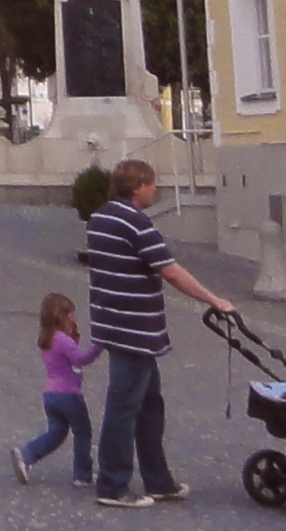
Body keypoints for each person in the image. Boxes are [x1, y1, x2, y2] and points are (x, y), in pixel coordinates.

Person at [87, 158, 234, 507]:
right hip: (133, 327)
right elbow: (170, 271)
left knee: (149, 404)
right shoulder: (136, 223)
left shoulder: (100, 217)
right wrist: (214, 300)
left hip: (112, 322)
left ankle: (158, 480)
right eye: (152, 183)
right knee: (124, 405)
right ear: (137, 187)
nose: (156, 189)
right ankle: (112, 485)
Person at [14, 291, 105, 487]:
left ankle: (27, 455)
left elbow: (63, 359)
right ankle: (82, 475)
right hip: (69, 395)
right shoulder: (62, 339)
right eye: (70, 314)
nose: (73, 318)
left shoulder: (46, 339)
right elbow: (79, 359)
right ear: (61, 316)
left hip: (50, 394)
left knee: (57, 432)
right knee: (83, 432)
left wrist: (74, 340)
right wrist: (99, 345)